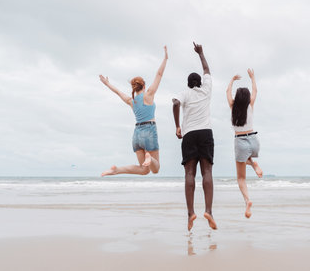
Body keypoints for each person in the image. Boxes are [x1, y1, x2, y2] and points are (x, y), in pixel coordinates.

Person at [99, 46, 168, 176]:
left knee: (144, 170)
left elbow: (118, 92)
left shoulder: (132, 101)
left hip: (136, 135)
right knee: (155, 169)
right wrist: (165, 58)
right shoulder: (148, 95)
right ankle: (150, 158)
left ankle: (117, 170)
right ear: (144, 85)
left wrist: (107, 84)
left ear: (134, 88)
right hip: (149, 131)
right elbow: (159, 74)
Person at [172, 42, 217, 231]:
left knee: (189, 174)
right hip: (205, 133)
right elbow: (206, 68)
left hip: (189, 134)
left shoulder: (184, 93)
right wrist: (201, 53)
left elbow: (175, 103)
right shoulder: (206, 90)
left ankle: (191, 213)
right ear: (199, 82)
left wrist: (177, 126)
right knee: (207, 172)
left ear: (188, 84)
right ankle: (209, 211)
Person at [226, 68, 263, 218]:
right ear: (247, 98)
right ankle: (253, 162)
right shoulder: (250, 105)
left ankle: (247, 200)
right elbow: (256, 90)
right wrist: (252, 77)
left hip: (240, 141)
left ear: (237, 97)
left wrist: (232, 80)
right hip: (254, 140)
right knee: (245, 157)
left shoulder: (232, 106)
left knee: (241, 178)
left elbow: (227, 91)